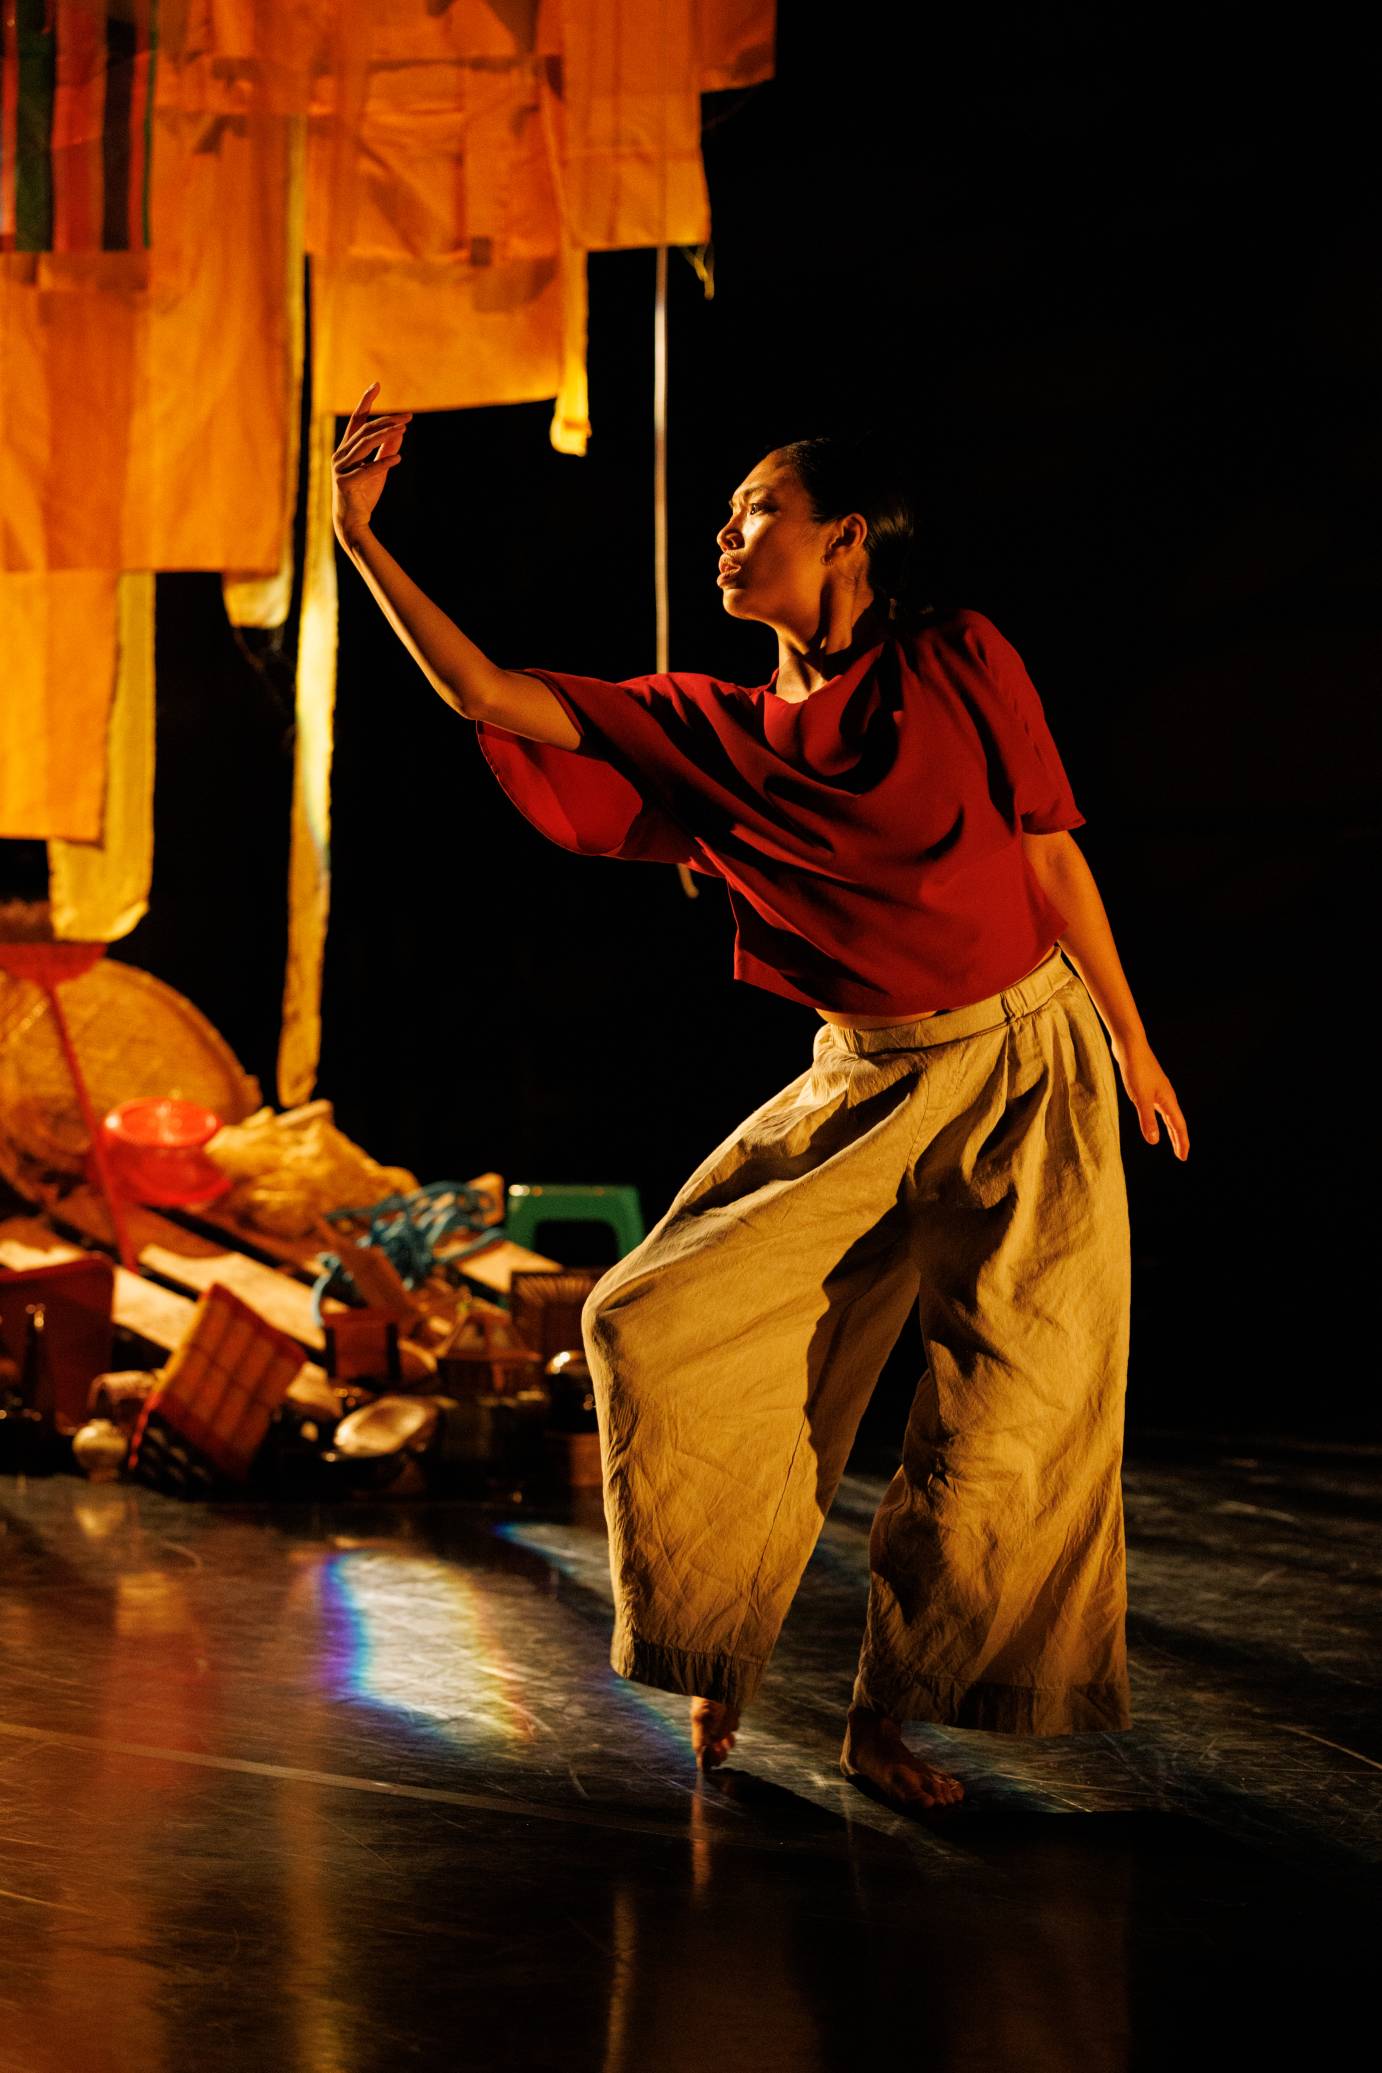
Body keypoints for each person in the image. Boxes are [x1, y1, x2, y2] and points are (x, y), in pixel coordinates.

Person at [332, 385, 1189, 1813]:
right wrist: (361, 536)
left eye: (756, 511)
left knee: (1007, 1413)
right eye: (727, 515)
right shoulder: (704, 724)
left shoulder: (960, 657)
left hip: (1024, 1062)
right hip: (861, 1077)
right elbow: (487, 695)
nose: (726, 535)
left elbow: (1049, 853)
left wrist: (1132, 1041)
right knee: (651, 1320)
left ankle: (888, 1718)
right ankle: (714, 1636)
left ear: (845, 535)